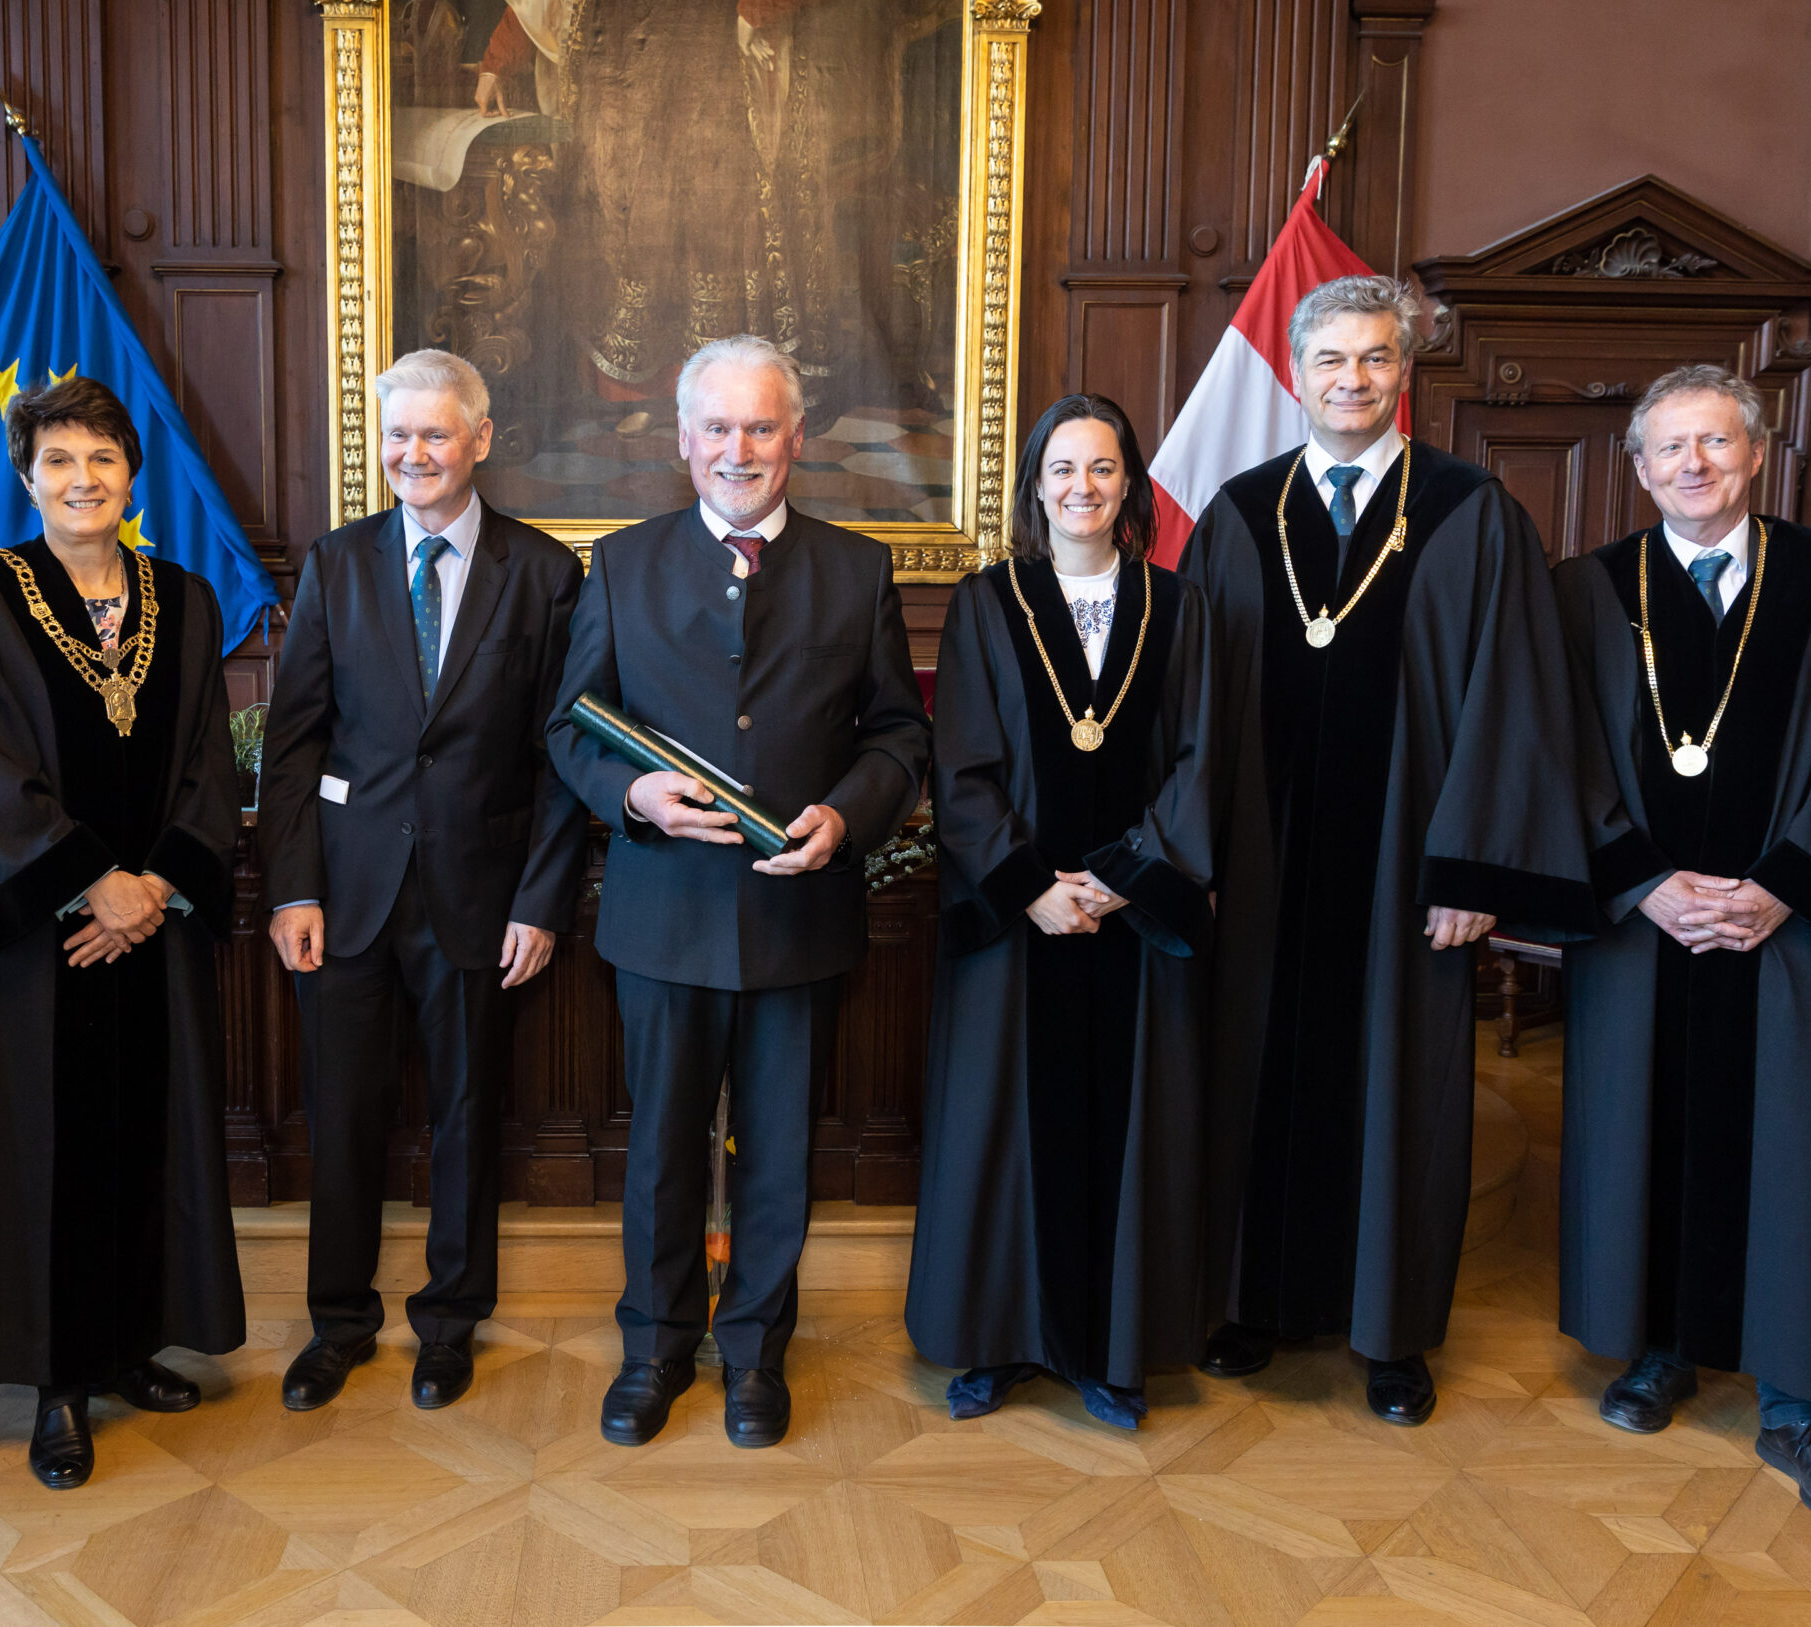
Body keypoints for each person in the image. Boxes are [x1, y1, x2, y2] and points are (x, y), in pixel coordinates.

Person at [1179, 274, 1599, 1426]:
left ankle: (1393, 1334)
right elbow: (1196, 707)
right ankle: (1247, 1300)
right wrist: (1192, 855)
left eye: (1373, 360)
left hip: (1403, 875)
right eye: (1330, 361)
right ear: (1297, 374)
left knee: (1401, 1086)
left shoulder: (1472, 513)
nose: (1351, 380)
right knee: (1247, 1070)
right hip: (1259, 869)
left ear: (1403, 376)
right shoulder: (1238, 513)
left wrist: (1470, 870)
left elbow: (1512, 701)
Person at [547, 334, 930, 1449]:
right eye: (717, 428)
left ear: (795, 439)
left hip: (796, 914)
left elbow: (899, 735)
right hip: (663, 916)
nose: (738, 448)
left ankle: (756, 1353)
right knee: (661, 1152)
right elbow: (569, 730)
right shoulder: (620, 564)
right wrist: (635, 799)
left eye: (760, 427)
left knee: (777, 1153)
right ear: (682, 441)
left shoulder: (856, 569)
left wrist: (846, 816)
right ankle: (656, 1349)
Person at [1554, 366, 1811, 1531]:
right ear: (1639, 466)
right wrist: (1645, 885)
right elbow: (1565, 761)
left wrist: (1778, 889)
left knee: (1795, 1151)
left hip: (1790, 925)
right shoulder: (1593, 591)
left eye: (1714, 444)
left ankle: (1804, 1404)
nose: (1691, 466)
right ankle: (1661, 1347)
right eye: (1667, 448)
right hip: (1644, 928)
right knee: (1641, 1132)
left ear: (1757, 455)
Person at [0, 374, 246, 1488]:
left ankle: (126, 1349)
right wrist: (89, 885)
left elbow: (209, 762)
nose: (82, 480)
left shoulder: (188, 598)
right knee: (46, 1146)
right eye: (59, 462)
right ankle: (57, 1378)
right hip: (41, 939)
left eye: (101, 461)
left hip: (148, 930)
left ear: (131, 477)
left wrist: (152, 887)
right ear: (27, 478)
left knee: (143, 1132)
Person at [261, 350, 585, 1414]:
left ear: (480, 440)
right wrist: (292, 889)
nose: (413, 455)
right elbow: (295, 740)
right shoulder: (338, 563)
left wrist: (540, 900)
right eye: (396, 436)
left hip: (480, 900)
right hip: (347, 896)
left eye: (434, 435)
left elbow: (559, 754)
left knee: (465, 1114)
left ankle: (449, 1324)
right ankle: (338, 1324)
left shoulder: (543, 574)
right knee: (342, 1115)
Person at [904, 394, 1219, 1430]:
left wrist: (1126, 876)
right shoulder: (988, 603)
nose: (1082, 487)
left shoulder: (1178, 607)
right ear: (1035, 486)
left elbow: (1196, 759)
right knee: (1003, 1132)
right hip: (1020, 929)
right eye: (1062, 469)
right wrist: (1033, 888)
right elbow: (962, 766)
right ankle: (998, 1341)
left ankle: (1112, 1351)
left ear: (1129, 486)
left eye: (1102, 468)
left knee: (1128, 1134)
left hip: (1131, 926)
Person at [474, 0, 841, 408]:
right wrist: (496, 64)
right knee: (633, 243)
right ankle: (641, 396)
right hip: (621, 128)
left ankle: (718, 400)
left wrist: (753, 12)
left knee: (712, 239)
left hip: (715, 117)